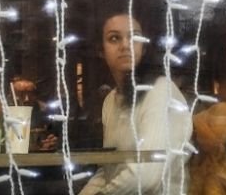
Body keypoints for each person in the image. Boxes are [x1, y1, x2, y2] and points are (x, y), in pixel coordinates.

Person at [79, 13, 193, 195]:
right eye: (114, 38)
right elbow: (108, 170)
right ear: (101, 50)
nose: (126, 45)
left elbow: (146, 177)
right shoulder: (110, 100)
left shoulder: (160, 91)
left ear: (144, 48)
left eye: (135, 38)